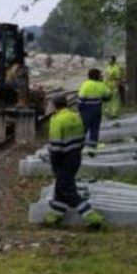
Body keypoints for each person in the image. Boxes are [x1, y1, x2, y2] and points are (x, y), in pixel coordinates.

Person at [44, 93, 105, 228]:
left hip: (62, 159)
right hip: (75, 157)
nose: (47, 107)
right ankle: (55, 213)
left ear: (55, 106)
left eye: (49, 104)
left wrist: (53, 162)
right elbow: (82, 138)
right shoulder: (75, 116)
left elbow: (56, 146)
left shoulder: (57, 120)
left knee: (69, 191)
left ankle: (92, 216)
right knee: (61, 186)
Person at [77, 68, 112, 155]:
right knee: (94, 130)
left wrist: (80, 109)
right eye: (100, 75)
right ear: (97, 75)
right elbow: (108, 96)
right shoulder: (101, 85)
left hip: (86, 110)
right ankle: (92, 150)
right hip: (97, 110)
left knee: (83, 130)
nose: (101, 76)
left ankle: (77, 149)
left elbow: (81, 99)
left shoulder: (85, 84)